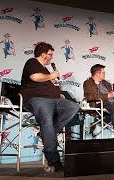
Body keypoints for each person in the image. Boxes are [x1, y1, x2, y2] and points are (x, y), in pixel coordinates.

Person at [20, 42, 79, 173]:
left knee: (73, 107)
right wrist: (51, 76)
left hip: (54, 100)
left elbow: (48, 84)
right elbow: (35, 77)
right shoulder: (32, 62)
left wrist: (58, 93)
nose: (51, 57)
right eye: (50, 54)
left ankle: (47, 132)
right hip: (37, 99)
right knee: (47, 121)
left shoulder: (44, 68)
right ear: (42, 54)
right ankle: (54, 160)